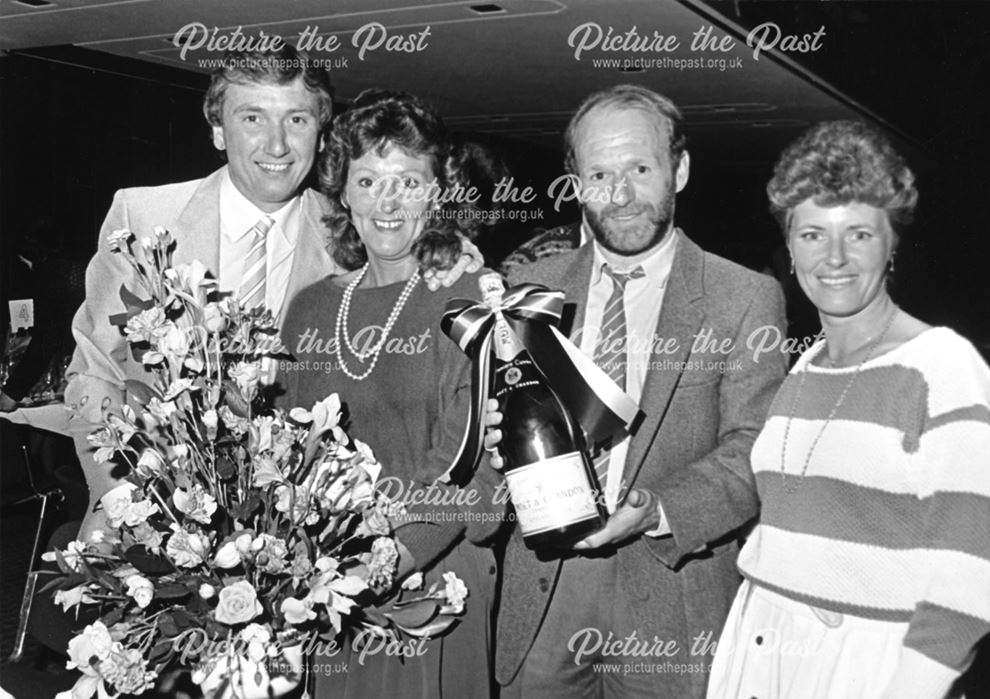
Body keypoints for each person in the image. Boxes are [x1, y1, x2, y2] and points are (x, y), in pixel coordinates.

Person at [63, 47, 480, 543]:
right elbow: (95, 374)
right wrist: (127, 500)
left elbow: (412, 260)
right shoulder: (143, 219)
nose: (277, 144)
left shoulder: (354, 234)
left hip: (300, 534)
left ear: (322, 135)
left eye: (297, 119)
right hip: (155, 515)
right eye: (253, 117)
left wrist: (446, 251)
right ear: (218, 129)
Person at [493, 84, 787, 698]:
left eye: (640, 169)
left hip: (673, 602)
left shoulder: (743, 297)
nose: (620, 195)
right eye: (599, 173)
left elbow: (756, 451)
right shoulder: (529, 288)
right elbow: (502, 423)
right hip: (545, 594)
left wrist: (657, 508)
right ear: (574, 183)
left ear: (678, 170)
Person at [705, 121, 990, 698]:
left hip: (862, 665)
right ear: (788, 248)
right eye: (813, 234)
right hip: (761, 646)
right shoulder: (805, 366)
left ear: (891, 245)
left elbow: (972, 577)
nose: (834, 257)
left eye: (859, 233)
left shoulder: (942, 367)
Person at [279, 89, 505, 698]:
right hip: (324, 577)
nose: (388, 201)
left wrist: (382, 566)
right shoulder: (310, 308)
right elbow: (284, 449)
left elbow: (479, 472)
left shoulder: (469, 299)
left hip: (433, 579)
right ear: (342, 192)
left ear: (438, 193)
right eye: (369, 180)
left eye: (409, 181)